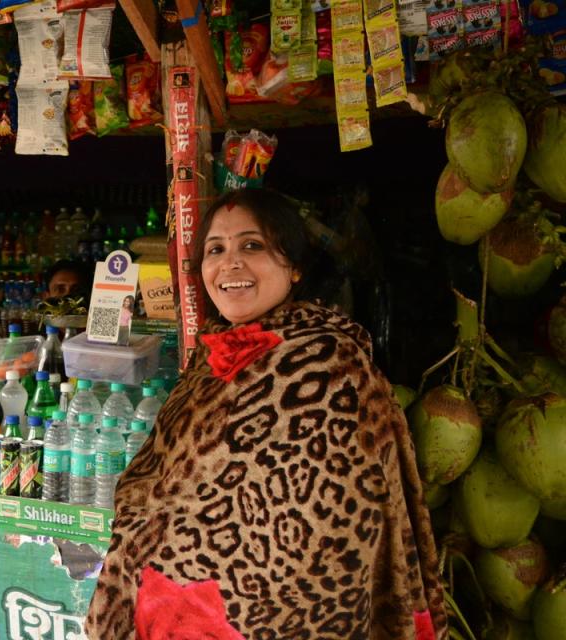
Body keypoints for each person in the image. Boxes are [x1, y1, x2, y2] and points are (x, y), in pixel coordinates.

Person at [85, 189, 446, 639]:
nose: (230, 263)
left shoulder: (329, 366)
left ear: (294, 266)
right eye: (216, 250)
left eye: (252, 246)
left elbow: (312, 545)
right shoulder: (213, 360)